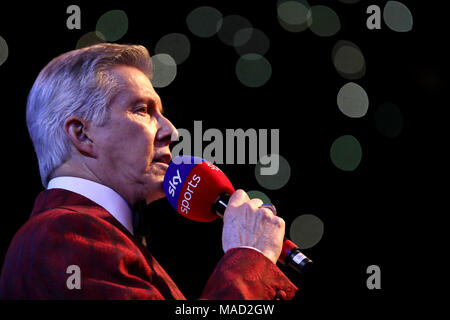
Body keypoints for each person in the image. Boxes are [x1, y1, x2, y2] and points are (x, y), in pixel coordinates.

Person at [0, 43, 297, 299]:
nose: (171, 132)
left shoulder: (98, 234)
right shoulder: (63, 234)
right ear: (82, 134)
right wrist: (250, 259)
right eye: (143, 110)